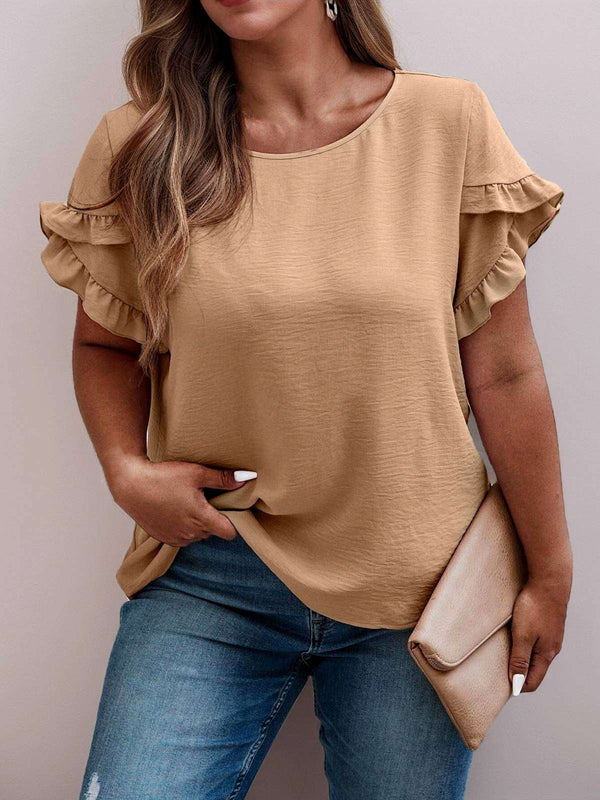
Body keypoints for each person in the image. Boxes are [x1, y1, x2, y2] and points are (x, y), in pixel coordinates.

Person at [38, 1, 573, 798]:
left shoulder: (447, 123)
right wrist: (125, 470)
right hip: (214, 572)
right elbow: (106, 347)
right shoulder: (142, 144)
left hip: (420, 592)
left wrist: (549, 573)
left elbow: (505, 374)